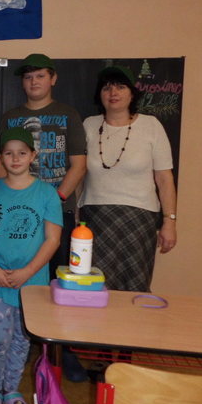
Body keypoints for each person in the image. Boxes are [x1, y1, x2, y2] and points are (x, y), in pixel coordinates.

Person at [0, 53, 88, 382]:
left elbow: (79, 165)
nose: (34, 82)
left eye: (40, 76)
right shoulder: (11, 117)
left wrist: (53, 201)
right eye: (28, 77)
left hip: (55, 211)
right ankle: (20, 348)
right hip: (15, 214)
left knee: (57, 287)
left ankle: (59, 352)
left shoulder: (68, 114)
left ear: (53, 78)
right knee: (20, 282)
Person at [0, 128, 62, 404]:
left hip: (32, 282)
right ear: (1, 158)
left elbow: (52, 239)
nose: (15, 158)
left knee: (22, 338)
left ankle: (12, 390)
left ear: (33, 156)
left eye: (22, 153)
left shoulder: (47, 193)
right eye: (9, 153)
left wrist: (27, 271)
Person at [80, 65, 177, 292]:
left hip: (139, 220)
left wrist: (170, 221)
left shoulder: (151, 126)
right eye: (107, 87)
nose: (113, 93)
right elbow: (79, 172)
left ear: (132, 93)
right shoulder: (89, 125)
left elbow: (164, 178)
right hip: (96, 218)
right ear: (100, 94)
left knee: (135, 287)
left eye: (120, 87)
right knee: (95, 287)